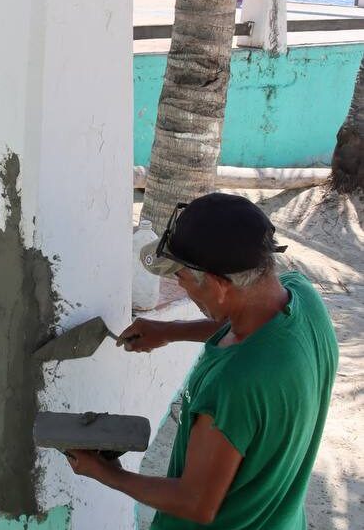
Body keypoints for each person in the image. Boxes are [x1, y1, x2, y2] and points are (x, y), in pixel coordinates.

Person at [65, 192, 338, 529]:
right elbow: (243, 323)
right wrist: (171, 331)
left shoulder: (235, 385)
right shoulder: (303, 298)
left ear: (217, 284)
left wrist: (104, 472)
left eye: (180, 280)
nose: (182, 289)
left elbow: (196, 503)